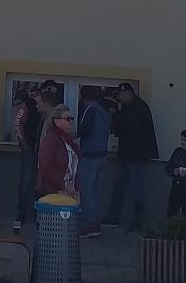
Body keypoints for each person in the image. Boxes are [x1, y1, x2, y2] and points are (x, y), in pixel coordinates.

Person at [103, 83, 158, 232]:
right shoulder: (130, 107)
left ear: (128, 93)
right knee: (121, 186)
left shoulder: (138, 107)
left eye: (120, 95)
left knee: (136, 188)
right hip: (129, 154)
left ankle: (138, 221)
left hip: (136, 155)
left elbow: (129, 127)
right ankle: (114, 216)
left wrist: (115, 115)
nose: (119, 98)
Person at [77, 85, 110, 238]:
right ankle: (96, 223)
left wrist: (73, 135)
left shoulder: (90, 110)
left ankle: (89, 225)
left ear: (83, 97)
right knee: (96, 192)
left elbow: (85, 130)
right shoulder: (103, 111)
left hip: (90, 156)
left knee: (86, 192)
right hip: (102, 155)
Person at [12, 86, 41, 233]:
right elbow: (18, 123)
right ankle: (21, 215)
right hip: (29, 150)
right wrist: (23, 143)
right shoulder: (27, 105)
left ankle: (40, 216)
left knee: (42, 184)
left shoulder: (51, 107)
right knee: (25, 182)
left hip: (44, 151)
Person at [36, 105, 81, 199]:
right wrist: (63, 183)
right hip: (53, 192)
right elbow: (45, 167)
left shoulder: (68, 141)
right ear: (56, 121)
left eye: (71, 119)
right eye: (67, 119)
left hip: (69, 191)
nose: (70, 121)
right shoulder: (51, 139)